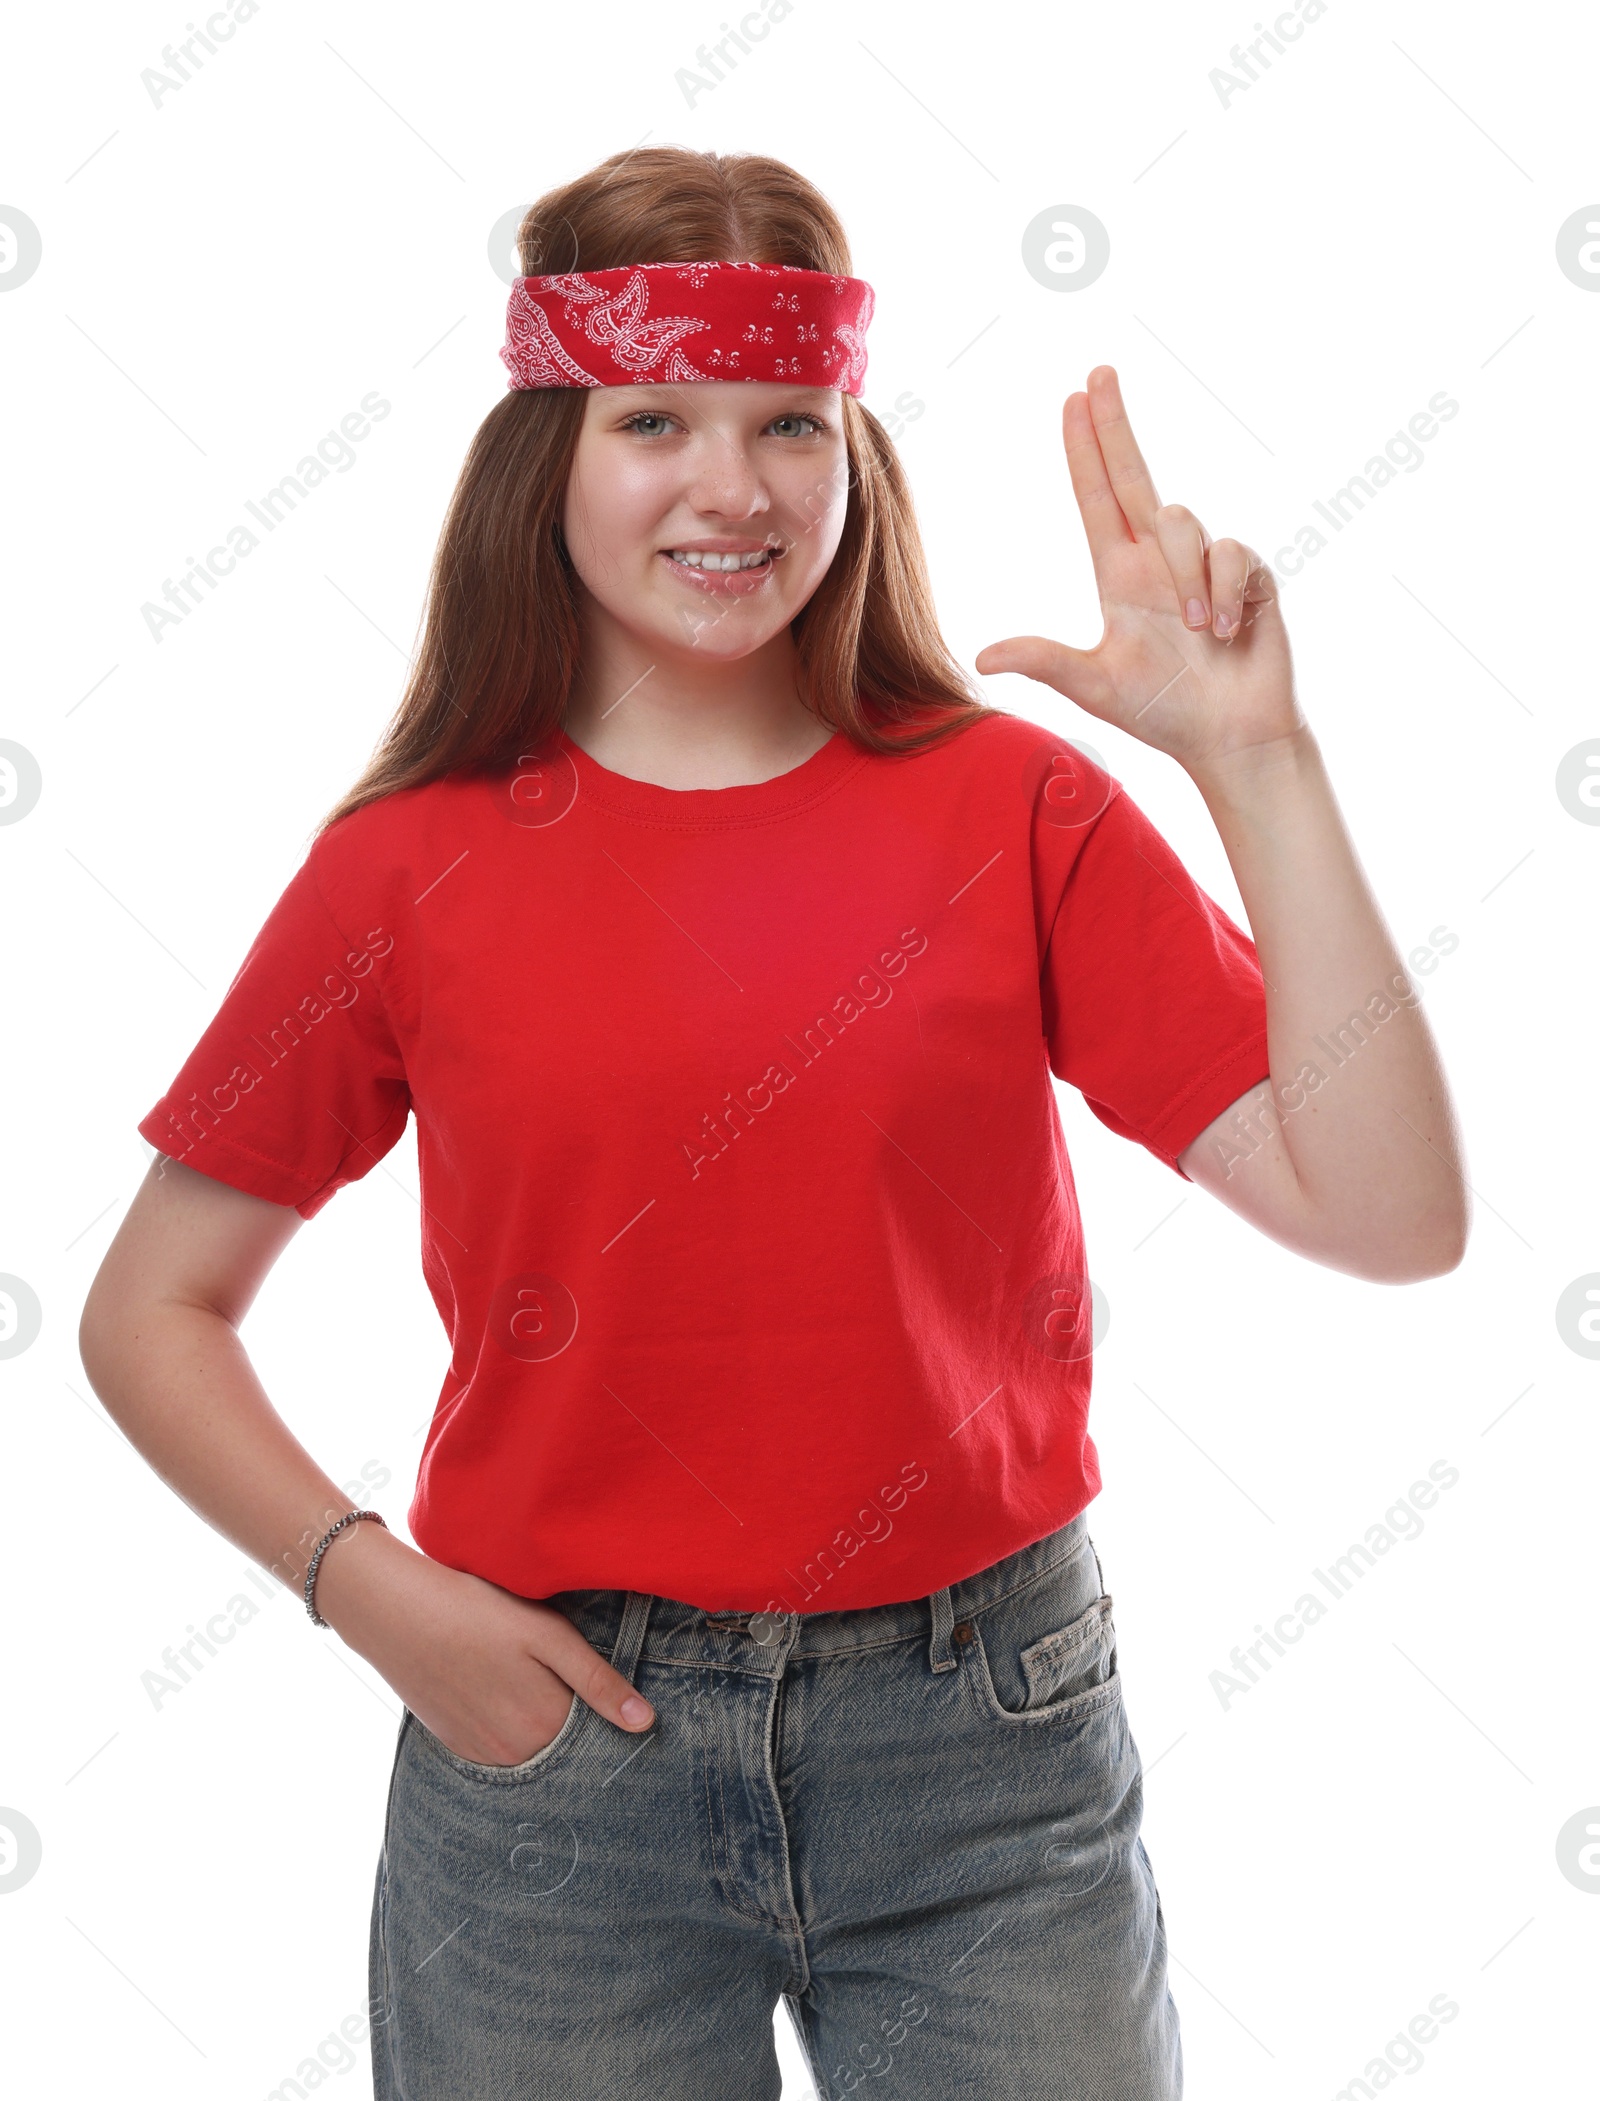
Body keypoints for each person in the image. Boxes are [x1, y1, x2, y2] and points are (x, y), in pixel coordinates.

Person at [79, 145, 1468, 2099]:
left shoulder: (1011, 810)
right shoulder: (403, 869)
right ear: (542, 449)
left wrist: (1258, 761)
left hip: (982, 1736)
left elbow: (1391, 1215)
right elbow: (149, 1309)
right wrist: (373, 1595)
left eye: (787, 425)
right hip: (557, 1748)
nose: (732, 488)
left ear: (852, 452)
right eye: (655, 418)